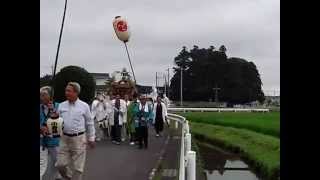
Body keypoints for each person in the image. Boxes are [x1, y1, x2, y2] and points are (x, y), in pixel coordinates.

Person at [56, 82, 96, 180]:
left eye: (69, 91)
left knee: (78, 168)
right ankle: (68, 176)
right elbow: (56, 121)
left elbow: (90, 123)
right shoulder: (61, 106)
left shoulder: (84, 106)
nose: (66, 93)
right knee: (60, 165)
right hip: (64, 139)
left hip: (79, 139)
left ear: (76, 92)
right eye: (66, 90)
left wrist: (91, 138)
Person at [40, 86, 61, 180]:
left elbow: (59, 123)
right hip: (41, 141)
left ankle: (55, 177)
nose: (42, 97)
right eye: (41, 95)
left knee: (57, 162)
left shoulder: (58, 106)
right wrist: (41, 128)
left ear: (50, 96)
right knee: (41, 163)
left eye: (44, 95)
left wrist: (52, 110)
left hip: (54, 140)